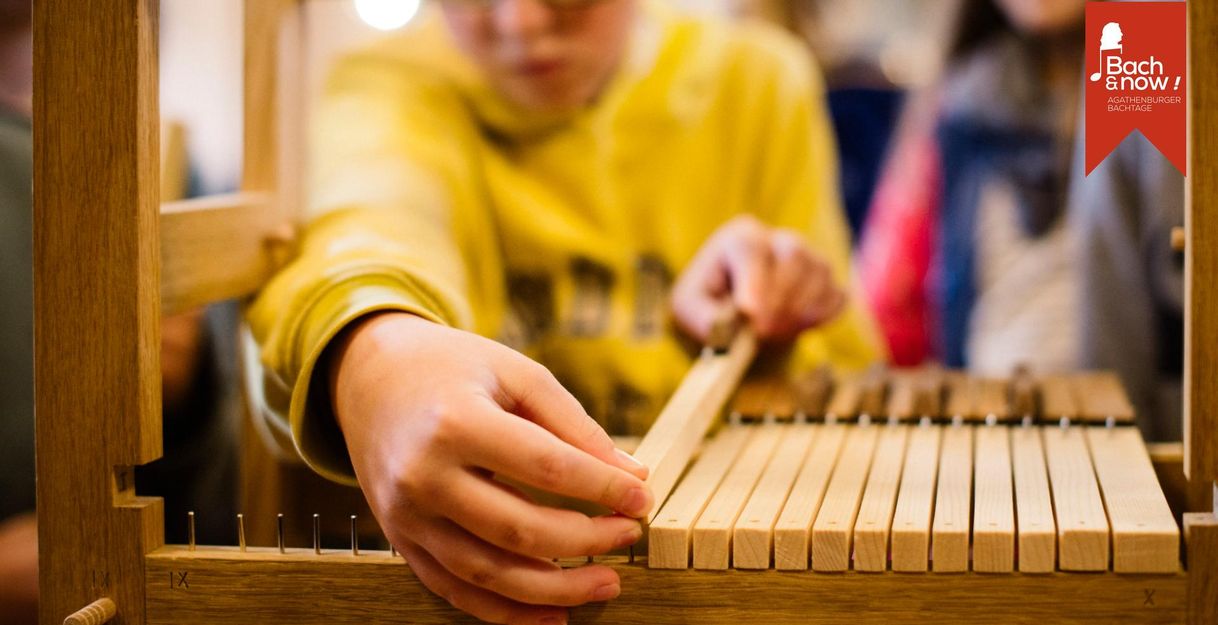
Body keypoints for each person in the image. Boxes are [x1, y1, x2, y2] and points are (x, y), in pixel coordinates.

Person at [247, 0, 879, 622]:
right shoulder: (388, 84)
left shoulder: (757, 81)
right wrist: (376, 352)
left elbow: (852, 388)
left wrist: (770, 328)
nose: (520, 22)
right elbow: (370, 223)